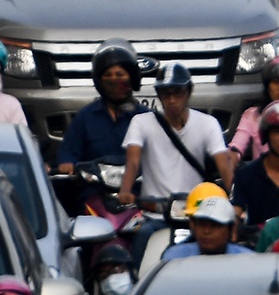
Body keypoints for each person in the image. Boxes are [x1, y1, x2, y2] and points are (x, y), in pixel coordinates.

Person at [120, 63, 232, 210]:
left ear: (189, 91)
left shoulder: (208, 123)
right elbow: (133, 162)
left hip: (195, 212)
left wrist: (234, 199)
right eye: (166, 93)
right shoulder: (140, 122)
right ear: (159, 94)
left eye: (178, 92)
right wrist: (125, 190)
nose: (172, 100)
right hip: (153, 211)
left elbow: (223, 164)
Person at [58, 41, 146, 175]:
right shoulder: (85, 117)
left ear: (132, 78)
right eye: (108, 75)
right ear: (99, 81)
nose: (114, 80)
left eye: (120, 74)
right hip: (94, 189)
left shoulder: (146, 118)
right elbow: (69, 152)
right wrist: (67, 164)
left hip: (137, 190)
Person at [230, 101, 279, 234]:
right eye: (277, 132)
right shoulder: (246, 175)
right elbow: (236, 212)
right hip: (257, 247)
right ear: (266, 134)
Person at [227, 55, 279, 161]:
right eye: (276, 82)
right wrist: (230, 160)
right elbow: (236, 147)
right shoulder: (252, 115)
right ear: (267, 86)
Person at [161, 193, 248, 258]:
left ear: (230, 229)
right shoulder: (174, 258)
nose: (206, 231)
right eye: (202, 224)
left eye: (215, 225)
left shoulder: (246, 260)